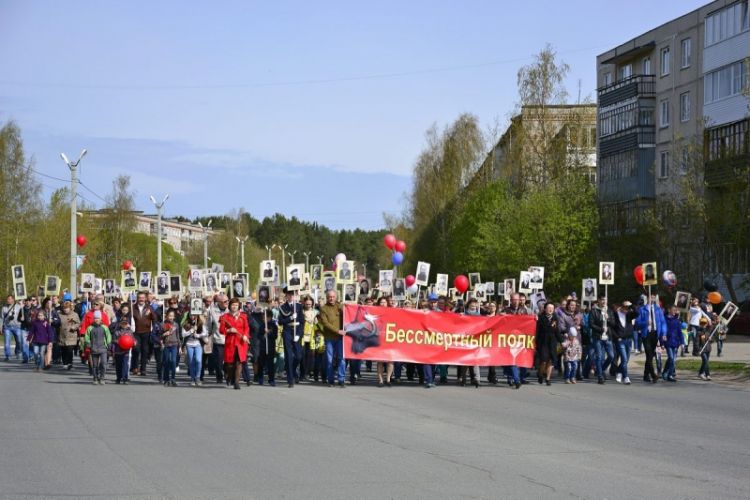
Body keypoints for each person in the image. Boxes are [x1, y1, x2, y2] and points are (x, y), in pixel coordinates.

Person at [220, 298, 250, 390]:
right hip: (230, 342)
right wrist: (229, 330)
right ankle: (229, 376)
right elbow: (221, 330)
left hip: (240, 343)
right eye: (233, 305)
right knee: (229, 364)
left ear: (239, 306)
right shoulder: (225, 317)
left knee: (239, 362)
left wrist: (245, 335)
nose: (234, 307)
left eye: (236, 305)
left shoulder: (243, 316)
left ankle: (237, 382)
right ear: (230, 306)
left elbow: (246, 328)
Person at [635, 294, 667, 383]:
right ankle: (653, 374)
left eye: (653, 297)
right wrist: (645, 322)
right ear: (647, 298)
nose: (652, 299)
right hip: (646, 334)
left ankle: (646, 375)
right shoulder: (642, 309)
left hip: (655, 334)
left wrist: (664, 333)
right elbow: (637, 323)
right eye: (650, 297)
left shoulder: (658, 309)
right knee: (649, 354)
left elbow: (663, 322)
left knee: (650, 356)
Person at [318, 289, 346, 387]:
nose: (331, 298)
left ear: (336, 297)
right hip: (329, 338)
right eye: (330, 297)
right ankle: (330, 380)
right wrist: (337, 331)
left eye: (333, 296)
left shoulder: (340, 307)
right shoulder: (323, 308)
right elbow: (325, 324)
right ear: (327, 297)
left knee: (341, 359)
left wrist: (344, 309)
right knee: (329, 360)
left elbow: (348, 317)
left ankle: (341, 379)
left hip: (340, 338)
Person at [278, 288, 304, 387]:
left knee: (298, 356)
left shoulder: (299, 306)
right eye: (289, 295)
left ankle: (292, 370)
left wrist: (298, 334)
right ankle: (290, 380)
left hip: (296, 331)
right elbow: (280, 321)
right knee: (289, 356)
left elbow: (302, 322)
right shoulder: (282, 307)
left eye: (293, 294)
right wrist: (290, 318)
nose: (291, 296)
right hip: (287, 331)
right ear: (286, 296)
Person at [607, 300, 636, 385]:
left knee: (626, 360)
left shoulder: (629, 315)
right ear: (621, 307)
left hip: (628, 339)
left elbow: (637, 313)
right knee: (624, 358)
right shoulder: (615, 315)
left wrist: (631, 305)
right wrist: (617, 337)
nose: (627, 309)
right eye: (625, 307)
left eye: (628, 308)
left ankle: (619, 372)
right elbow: (612, 328)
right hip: (620, 340)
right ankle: (626, 377)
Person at [589, 296, 613, 384]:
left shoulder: (609, 311)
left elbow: (613, 323)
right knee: (599, 356)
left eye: (605, 299)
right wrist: (601, 329)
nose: (604, 301)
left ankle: (601, 369)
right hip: (598, 337)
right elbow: (591, 324)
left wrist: (608, 319)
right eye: (602, 299)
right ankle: (600, 376)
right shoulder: (594, 311)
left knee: (611, 356)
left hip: (607, 337)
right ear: (599, 301)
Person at [536, 302, 561, 385]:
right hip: (543, 341)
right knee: (543, 361)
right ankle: (540, 373)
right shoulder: (540, 318)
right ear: (545, 309)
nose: (550, 309)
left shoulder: (555, 318)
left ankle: (548, 378)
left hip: (552, 341)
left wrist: (562, 341)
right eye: (549, 308)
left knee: (551, 360)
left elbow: (557, 331)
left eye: (552, 308)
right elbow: (537, 331)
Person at [132, 292, 156, 376]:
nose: (141, 299)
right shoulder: (133, 308)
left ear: (145, 298)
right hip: (135, 332)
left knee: (145, 351)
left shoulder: (149, 307)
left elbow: (154, 319)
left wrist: (151, 313)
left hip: (146, 332)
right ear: (137, 298)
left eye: (143, 298)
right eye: (139, 297)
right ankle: (135, 367)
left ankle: (143, 369)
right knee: (136, 349)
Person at [84, 311, 111, 385]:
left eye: (98, 318)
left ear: (100, 319)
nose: (96, 319)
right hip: (94, 348)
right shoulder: (90, 328)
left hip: (103, 348)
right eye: (95, 318)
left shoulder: (104, 327)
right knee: (95, 365)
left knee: (103, 363)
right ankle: (95, 378)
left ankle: (102, 377)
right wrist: (88, 344)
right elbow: (87, 337)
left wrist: (109, 345)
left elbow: (108, 336)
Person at [182, 313, 207, 387]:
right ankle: (192, 378)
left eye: (194, 315)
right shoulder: (186, 324)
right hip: (189, 344)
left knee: (198, 360)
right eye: (191, 315)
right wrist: (191, 330)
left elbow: (205, 333)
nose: (193, 317)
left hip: (198, 344)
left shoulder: (200, 323)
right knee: (191, 361)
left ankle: (198, 377)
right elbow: (183, 334)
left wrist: (198, 335)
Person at [2, 295, 28, 363]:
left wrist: (22, 308)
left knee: (19, 341)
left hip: (17, 327)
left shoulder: (19, 306)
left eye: (10, 299)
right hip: (7, 327)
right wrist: (0, 326)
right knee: (7, 342)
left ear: (13, 299)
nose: (8, 300)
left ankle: (18, 352)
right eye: (7, 299)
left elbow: (22, 316)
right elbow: (1, 318)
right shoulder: (4, 308)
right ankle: (8, 356)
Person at [160, 309, 181, 387]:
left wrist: (180, 346)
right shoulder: (163, 324)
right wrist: (165, 334)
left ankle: (173, 378)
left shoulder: (176, 324)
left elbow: (178, 335)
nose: (171, 317)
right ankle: (166, 379)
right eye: (169, 316)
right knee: (166, 361)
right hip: (166, 345)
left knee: (173, 361)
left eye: (172, 316)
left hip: (174, 344)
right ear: (166, 316)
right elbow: (160, 335)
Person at [57, 300, 80, 370]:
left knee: (70, 350)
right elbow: (57, 323)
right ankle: (65, 363)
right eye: (64, 308)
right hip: (62, 335)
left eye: (67, 308)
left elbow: (78, 323)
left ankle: (70, 363)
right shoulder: (60, 315)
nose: (65, 310)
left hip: (71, 335)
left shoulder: (75, 314)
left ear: (70, 308)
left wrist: (74, 327)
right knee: (64, 350)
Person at [661, 306, 682, 382]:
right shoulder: (665, 319)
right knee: (671, 358)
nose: (674, 311)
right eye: (673, 310)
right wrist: (662, 342)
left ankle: (666, 374)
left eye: (675, 310)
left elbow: (679, 332)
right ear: (669, 310)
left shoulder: (677, 320)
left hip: (675, 342)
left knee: (672, 360)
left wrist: (682, 342)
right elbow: (662, 330)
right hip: (668, 341)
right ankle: (668, 374)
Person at [111, 317, 134, 384]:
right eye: (122, 323)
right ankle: (118, 378)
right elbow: (113, 340)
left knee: (125, 365)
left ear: (127, 324)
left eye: (125, 323)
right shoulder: (116, 331)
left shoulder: (130, 332)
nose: (124, 325)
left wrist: (134, 342)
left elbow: (132, 339)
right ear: (120, 324)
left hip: (126, 351)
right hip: (118, 351)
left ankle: (125, 378)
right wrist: (118, 341)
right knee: (118, 365)